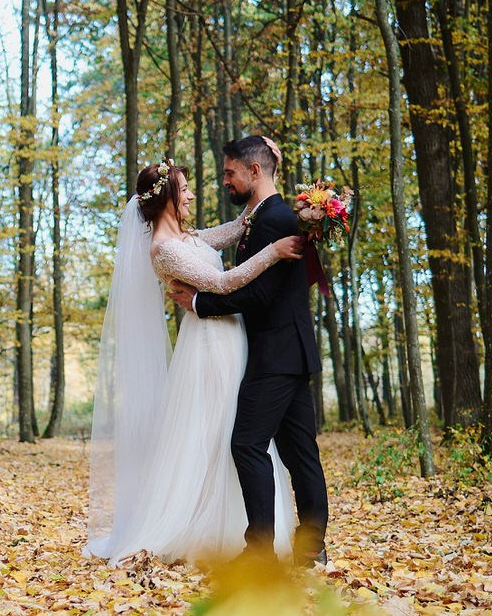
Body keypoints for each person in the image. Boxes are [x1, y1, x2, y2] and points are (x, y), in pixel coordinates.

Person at [85, 159, 306, 561]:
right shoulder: (163, 250)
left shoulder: (189, 237)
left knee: (238, 431)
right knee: (217, 429)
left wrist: (266, 183)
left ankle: (245, 526)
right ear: (167, 198)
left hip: (230, 337)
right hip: (208, 346)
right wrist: (273, 252)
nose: (190, 194)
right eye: (183, 189)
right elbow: (223, 282)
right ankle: (205, 525)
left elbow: (237, 227)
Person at [167, 136, 331, 564]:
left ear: (253, 172)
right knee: (299, 451)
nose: (225, 181)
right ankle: (311, 546)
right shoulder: (266, 216)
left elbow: (256, 296)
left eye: (229, 172)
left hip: (274, 354)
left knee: (246, 444)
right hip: (290, 351)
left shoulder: (275, 220)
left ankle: (260, 550)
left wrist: (200, 303)